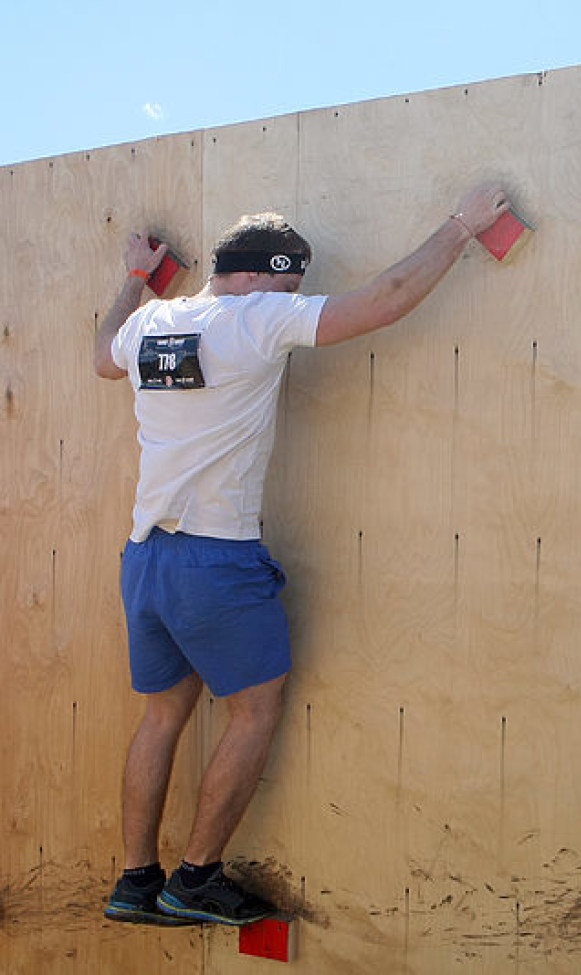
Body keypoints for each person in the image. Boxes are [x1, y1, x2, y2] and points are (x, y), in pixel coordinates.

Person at [94, 182, 510, 925]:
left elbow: (101, 356)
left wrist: (133, 276)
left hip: (145, 559)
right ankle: (193, 880)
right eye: (290, 282)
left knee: (163, 716)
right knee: (255, 709)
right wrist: (461, 227)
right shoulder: (256, 317)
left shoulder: (156, 320)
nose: (295, 298)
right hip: (217, 562)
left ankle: (134, 881)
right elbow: (383, 300)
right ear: (258, 274)